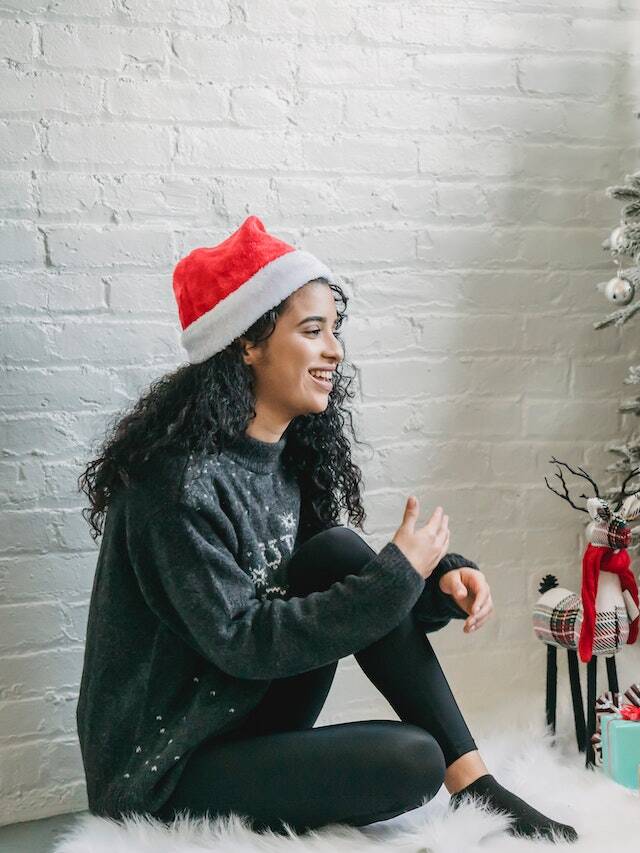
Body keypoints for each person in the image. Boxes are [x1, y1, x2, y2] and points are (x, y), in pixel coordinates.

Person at [76, 216, 576, 841]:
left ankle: (478, 786)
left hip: (248, 721)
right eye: (312, 331)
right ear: (246, 343)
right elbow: (244, 641)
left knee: (335, 549)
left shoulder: (282, 461)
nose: (334, 351)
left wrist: (430, 582)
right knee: (411, 758)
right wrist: (397, 571)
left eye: (334, 331)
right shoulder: (174, 488)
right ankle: (464, 780)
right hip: (167, 772)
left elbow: (353, 596)